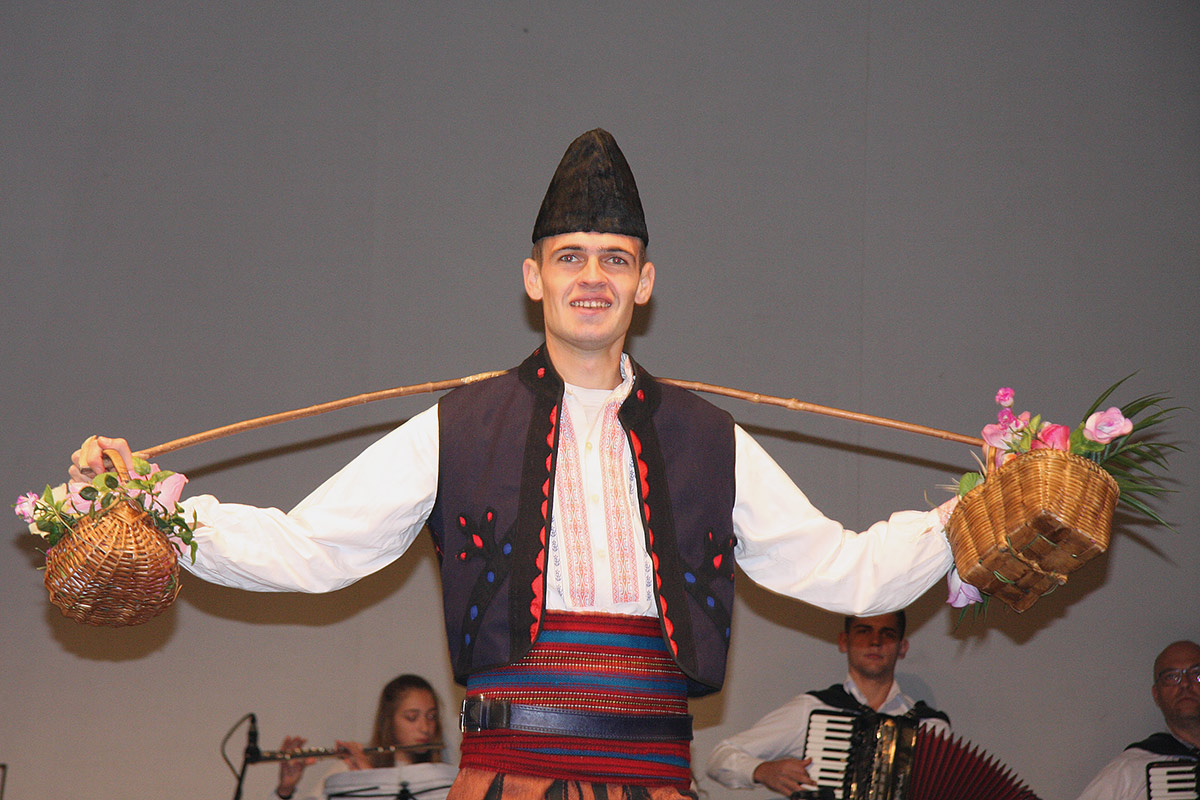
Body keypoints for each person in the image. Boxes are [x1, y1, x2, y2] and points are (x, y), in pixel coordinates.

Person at [70, 129, 958, 800]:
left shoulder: (707, 438)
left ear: (645, 283)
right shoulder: (459, 428)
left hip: (655, 783)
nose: (592, 277)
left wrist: (974, 522)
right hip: (507, 784)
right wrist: (151, 506)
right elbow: (312, 550)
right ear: (533, 277)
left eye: (615, 260)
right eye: (570, 257)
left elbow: (845, 568)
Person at [705, 611, 949, 796]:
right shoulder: (812, 708)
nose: (875, 641)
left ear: (902, 647)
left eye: (888, 634)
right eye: (863, 631)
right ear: (844, 641)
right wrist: (763, 770)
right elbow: (720, 757)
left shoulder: (930, 726)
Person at [274, 674, 455, 800]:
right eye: (412, 717)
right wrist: (285, 791)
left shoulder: (442, 780)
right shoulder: (351, 768)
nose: (425, 727)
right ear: (389, 720)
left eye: (431, 716)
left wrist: (371, 778)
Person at [1076, 640, 1200, 800]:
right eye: (1171, 676)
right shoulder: (1128, 770)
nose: (1185, 684)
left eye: (1197, 674)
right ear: (1156, 695)